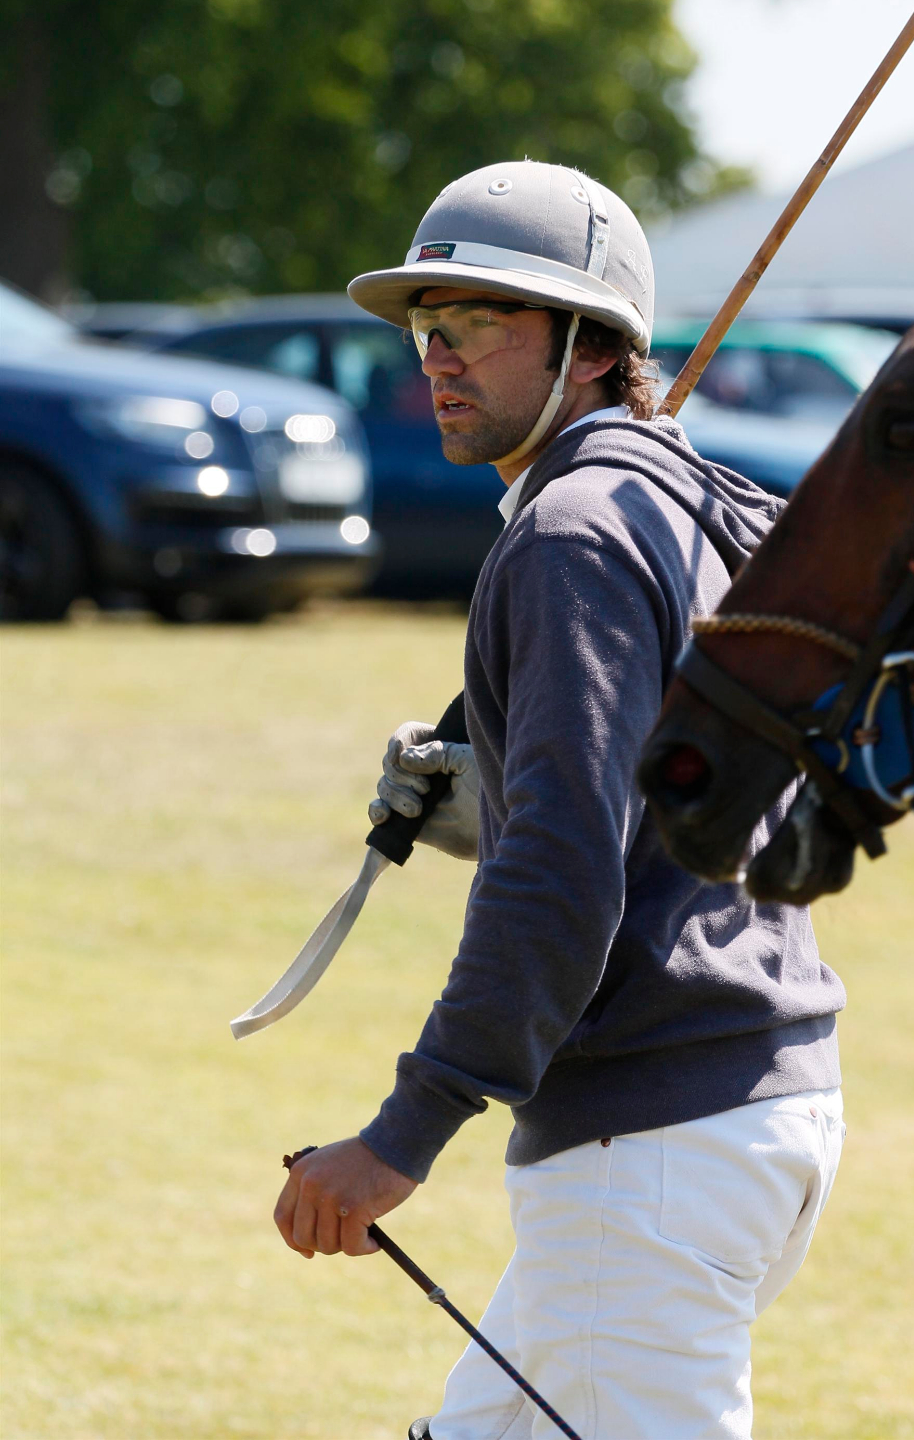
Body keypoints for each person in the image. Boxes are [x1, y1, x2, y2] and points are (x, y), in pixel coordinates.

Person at [273, 161, 847, 1440]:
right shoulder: (672, 501)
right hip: (740, 1111)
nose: (439, 356)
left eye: (479, 320)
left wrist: (405, 1130)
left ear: (589, 347)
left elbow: (562, 867)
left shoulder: (572, 532)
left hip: (651, 1147)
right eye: (428, 326)